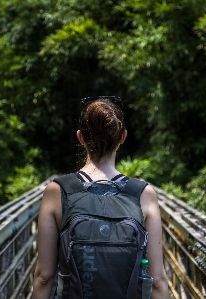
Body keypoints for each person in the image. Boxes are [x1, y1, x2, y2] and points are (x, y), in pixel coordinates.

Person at [33, 96, 170, 299]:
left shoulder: (58, 191)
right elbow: (157, 281)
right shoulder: (143, 194)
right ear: (122, 137)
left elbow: (44, 277)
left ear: (80, 137)